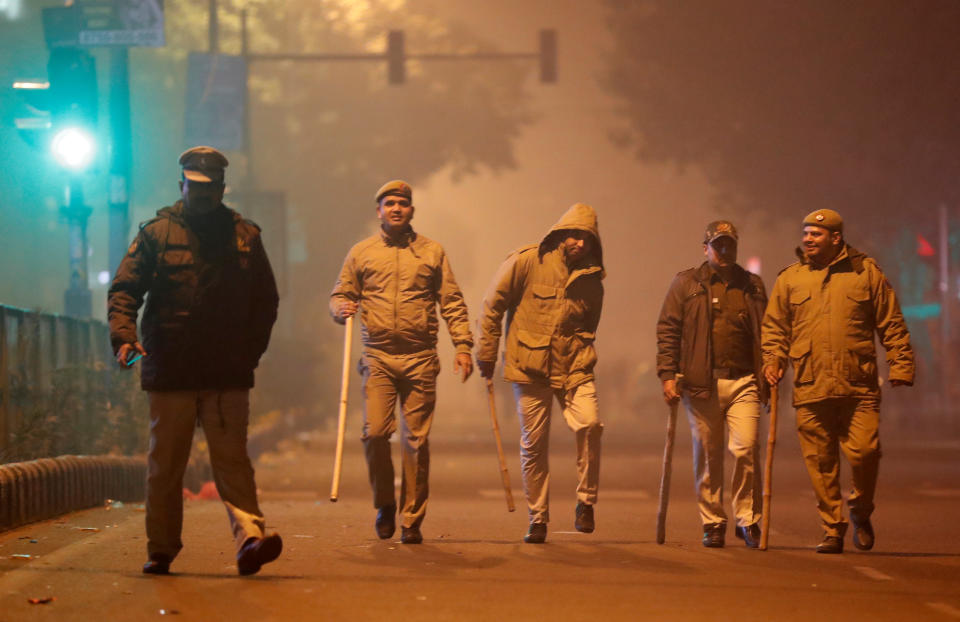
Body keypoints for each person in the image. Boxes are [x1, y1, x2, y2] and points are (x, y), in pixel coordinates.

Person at [108, 146, 282, 575]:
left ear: (222, 188)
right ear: (181, 185)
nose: (202, 195)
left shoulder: (245, 237)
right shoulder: (156, 234)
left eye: (210, 188)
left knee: (232, 464)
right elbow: (125, 290)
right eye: (195, 186)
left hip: (226, 372)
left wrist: (250, 354)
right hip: (171, 370)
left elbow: (266, 302)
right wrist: (124, 335)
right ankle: (161, 548)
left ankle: (250, 540)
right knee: (165, 466)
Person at [329, 180, 474, 544]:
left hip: (420, 357)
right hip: (377, 356)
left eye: (403, 204)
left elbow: (452, 302)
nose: (396, 209)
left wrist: (463, 345)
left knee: (416, 441)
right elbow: (341, 294)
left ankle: (411, 519)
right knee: (375, 433)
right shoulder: (361, 253)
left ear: (411, 210)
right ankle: (384, 504)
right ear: (378, 210)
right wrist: (340, 308)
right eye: (389, 203)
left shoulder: (431, 252)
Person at [762, 209, 914, 554]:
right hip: (810, 384)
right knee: (821, 463)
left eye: (816, 234)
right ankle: (832, 526)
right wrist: (772, 359)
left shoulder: (866, 273)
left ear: (836, 238)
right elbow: (774, 328)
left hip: (858, 385)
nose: (807, 240)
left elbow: (891, 322)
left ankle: (860, 509)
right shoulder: (790, 279)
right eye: (805, 233)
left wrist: (901, 365)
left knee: (865, 453)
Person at [476, 203, 604, 544]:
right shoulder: (526, 260)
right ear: (561, 233)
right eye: (574, 235)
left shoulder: (593, 278)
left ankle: (586, 501)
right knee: (534, 445)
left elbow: (591, 322)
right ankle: (538, 517)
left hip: (575, 366)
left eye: (586, 238)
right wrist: (486, 352)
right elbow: (493, 304)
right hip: (529, 366)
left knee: (590, 425)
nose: (578, 243)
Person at [656, 220, 768, 548]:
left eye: (729, 245)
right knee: (708, 453)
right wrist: (667, 374)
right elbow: (668, 330)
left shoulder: (753, 285)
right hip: (701, 384)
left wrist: (773, 365)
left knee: (746, 449)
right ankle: (713, 520)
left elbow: (769, 330)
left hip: (745, 380)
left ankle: (747, 519)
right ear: (705, 248)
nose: (724, 251)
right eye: (717, 245)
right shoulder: (686, 284)